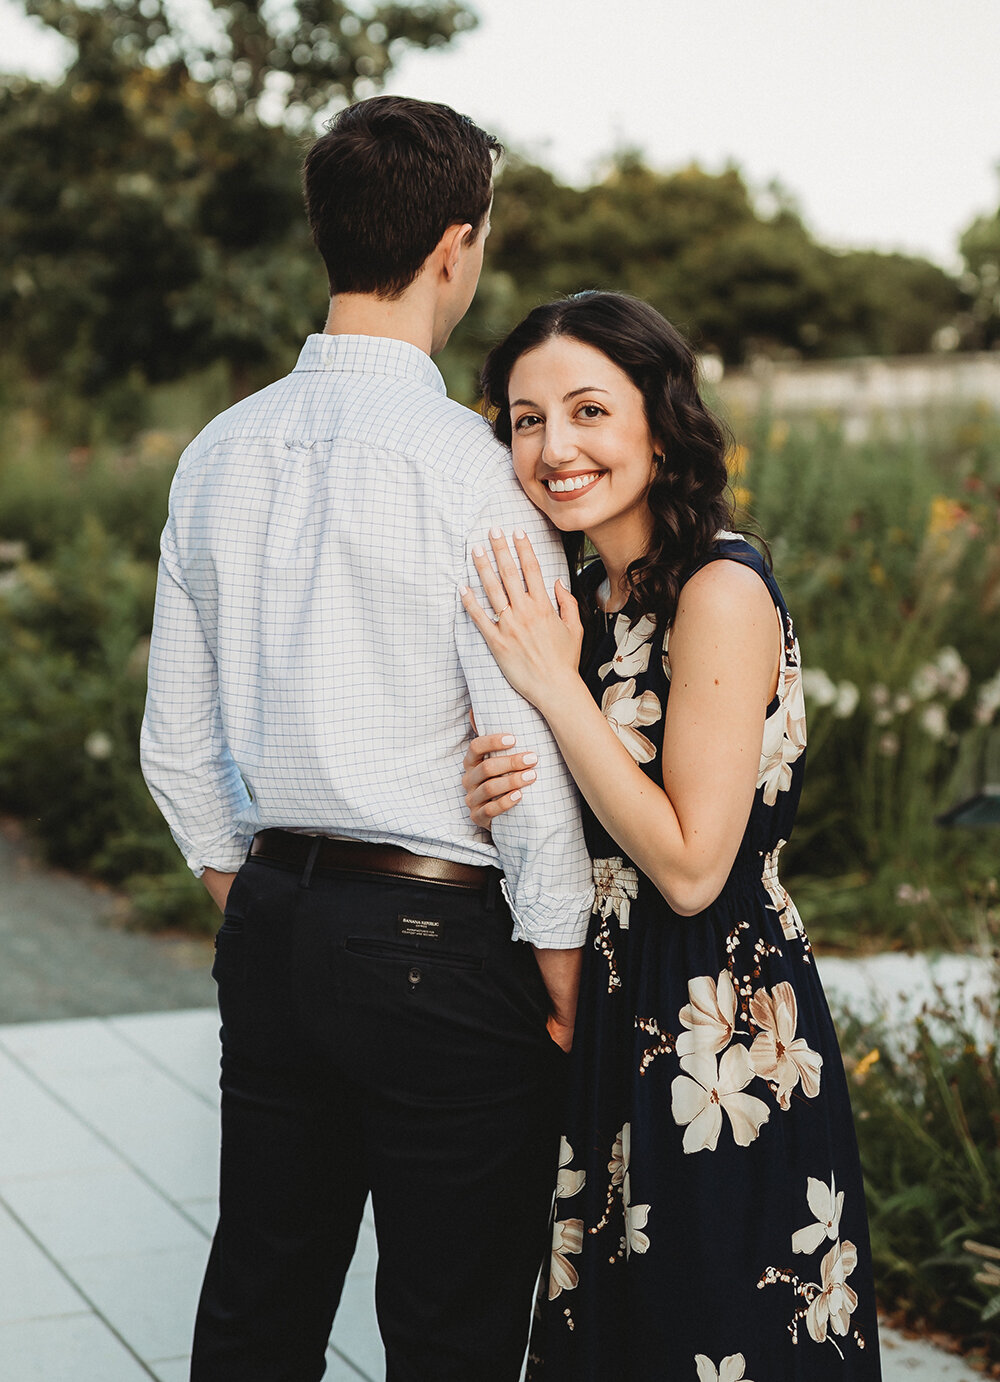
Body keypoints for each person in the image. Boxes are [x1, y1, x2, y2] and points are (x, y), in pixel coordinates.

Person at [139, 97, 595, 1382]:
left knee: (259, 1293)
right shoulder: (470, 467)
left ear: (328, 232)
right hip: (442, 939)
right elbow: (526, 752)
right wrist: (559, 958)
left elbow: (175, 748)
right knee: (450, 1320)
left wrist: (261, 892)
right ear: (459, 244)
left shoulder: (214, 454)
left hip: (276, 916)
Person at [457, 291, 882, 1380]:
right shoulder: (583, 597)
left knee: (710, 1330)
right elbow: (594, 806)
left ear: (660, 417)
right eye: (526, 418)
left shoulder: (718, 589)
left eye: (589, 409)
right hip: (605, 1003)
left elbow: (693, 865)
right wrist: (491, 785)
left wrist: (555, 695)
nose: (556, 447)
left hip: (714, 1022)